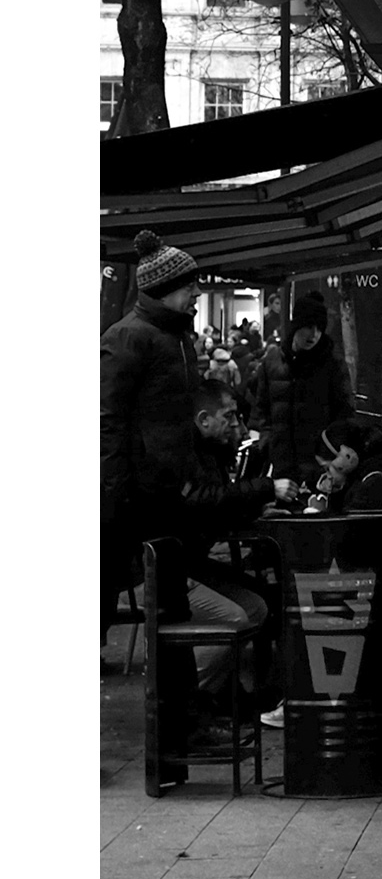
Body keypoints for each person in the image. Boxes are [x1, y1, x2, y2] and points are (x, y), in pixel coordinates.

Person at [131, 379, 299, 737]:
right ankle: (187, 703)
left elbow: (213, 505)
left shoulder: (206, 452)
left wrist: (256, 510)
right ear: (203, 419)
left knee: (258, 606)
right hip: (166, 570)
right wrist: (265, 489)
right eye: (229, 416)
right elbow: (200, 502)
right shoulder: (180, 454)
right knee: (236, 616)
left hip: (187, 563)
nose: (235, 425)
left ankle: (218, 697)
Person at [100, 231, 209, 643]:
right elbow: (107, 420)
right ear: (165, 290)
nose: (197, 293)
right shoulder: (127, 337)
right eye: (189, 286)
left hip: (169, 490)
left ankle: (175, 680)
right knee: (130, 590)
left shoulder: (178, 337)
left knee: (171, 603)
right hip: (139, 494)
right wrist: (117, 492)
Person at [248, 291, 354, 481]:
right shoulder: (272, 361)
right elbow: (261, 409)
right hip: (280, 466)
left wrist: (327, 451)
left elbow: (344, 412)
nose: (314, 334)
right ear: (296, 325)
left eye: (319, 328)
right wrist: (267, 443)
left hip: (319, 467)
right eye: (309, 326)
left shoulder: (332, 363)